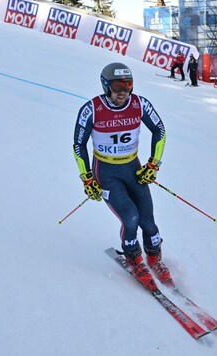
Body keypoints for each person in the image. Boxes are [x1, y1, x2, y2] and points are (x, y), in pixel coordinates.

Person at [72, 62, 170, 285]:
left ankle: (154, 257)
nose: (123, 91)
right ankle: (134, 257)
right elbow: (79, 145)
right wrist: (87, 177)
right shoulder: (92, 109)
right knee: (131, 217)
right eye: (118, 85)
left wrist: (153, 164)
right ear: (106, 85)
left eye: (128, 85)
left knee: (148, 222)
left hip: (132, 168)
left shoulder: (139, 104)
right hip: (105, 171)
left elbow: (159, 130)